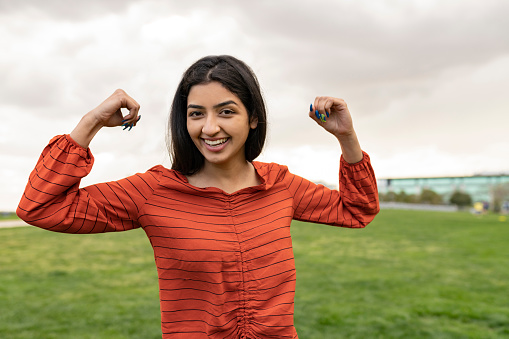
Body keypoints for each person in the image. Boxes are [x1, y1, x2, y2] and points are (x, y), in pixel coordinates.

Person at [17, 55, 379, 338]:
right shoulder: (154, 192)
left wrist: (346, 137)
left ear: (253, 118)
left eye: (226, 112)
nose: (209, 128)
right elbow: (40, 207)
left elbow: (357, 210)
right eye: (196, 114)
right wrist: (92, 121)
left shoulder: (279, 184)